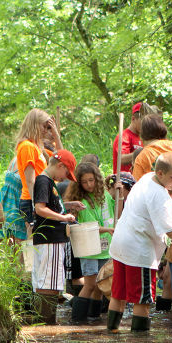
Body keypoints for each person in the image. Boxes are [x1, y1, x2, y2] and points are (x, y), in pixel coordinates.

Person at [106, 153, 172, 333]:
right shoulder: (160, 195)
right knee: (143, 300)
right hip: (139, 252)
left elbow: (149, 207)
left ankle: (112, 334)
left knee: (118, 295)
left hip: (121, 245)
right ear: (161, 173)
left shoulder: (147, 178)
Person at [32, 149, 79, 324]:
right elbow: (40, 208)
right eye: (66, 173)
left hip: (50, 239)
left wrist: (69, 205)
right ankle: (47, 324)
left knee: (47, 281)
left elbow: (51, 205)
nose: (65, 178)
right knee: (49, 284)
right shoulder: (44, 180)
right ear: (60, 165)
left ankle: (44, 322)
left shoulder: (48, 181)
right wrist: (64, 217)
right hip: (49, 238)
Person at [64, 161, 114, 323]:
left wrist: (117, 192)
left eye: (91, 180)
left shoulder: (105, 196)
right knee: (90, 284)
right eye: (84, 182)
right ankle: (77, 319)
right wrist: (108, 230)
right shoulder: (82, 203)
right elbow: (90, 227)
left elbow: (116, 210)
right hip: (89, 248)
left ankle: (94, 316)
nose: (89, 185)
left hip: (105, 248)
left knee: (100, 285)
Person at [14, 109, 62, 239]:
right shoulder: (27, 146)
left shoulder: (36, 146)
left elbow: (62, 159)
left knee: (42, 240)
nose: (46, 130)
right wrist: (37, 205)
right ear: (34, 124)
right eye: (44, 126)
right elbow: (30, 180)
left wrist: (56, 135)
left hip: (40, 198)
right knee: (36, 241)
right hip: (32, 199)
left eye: (48, 127)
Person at [112, 103, 159, 174]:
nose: (145, 125)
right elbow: (121, 159)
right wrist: (144, 151)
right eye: (143, 121)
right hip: (125, 181)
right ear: (133, 119)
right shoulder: (124, 136)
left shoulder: (143, 138)